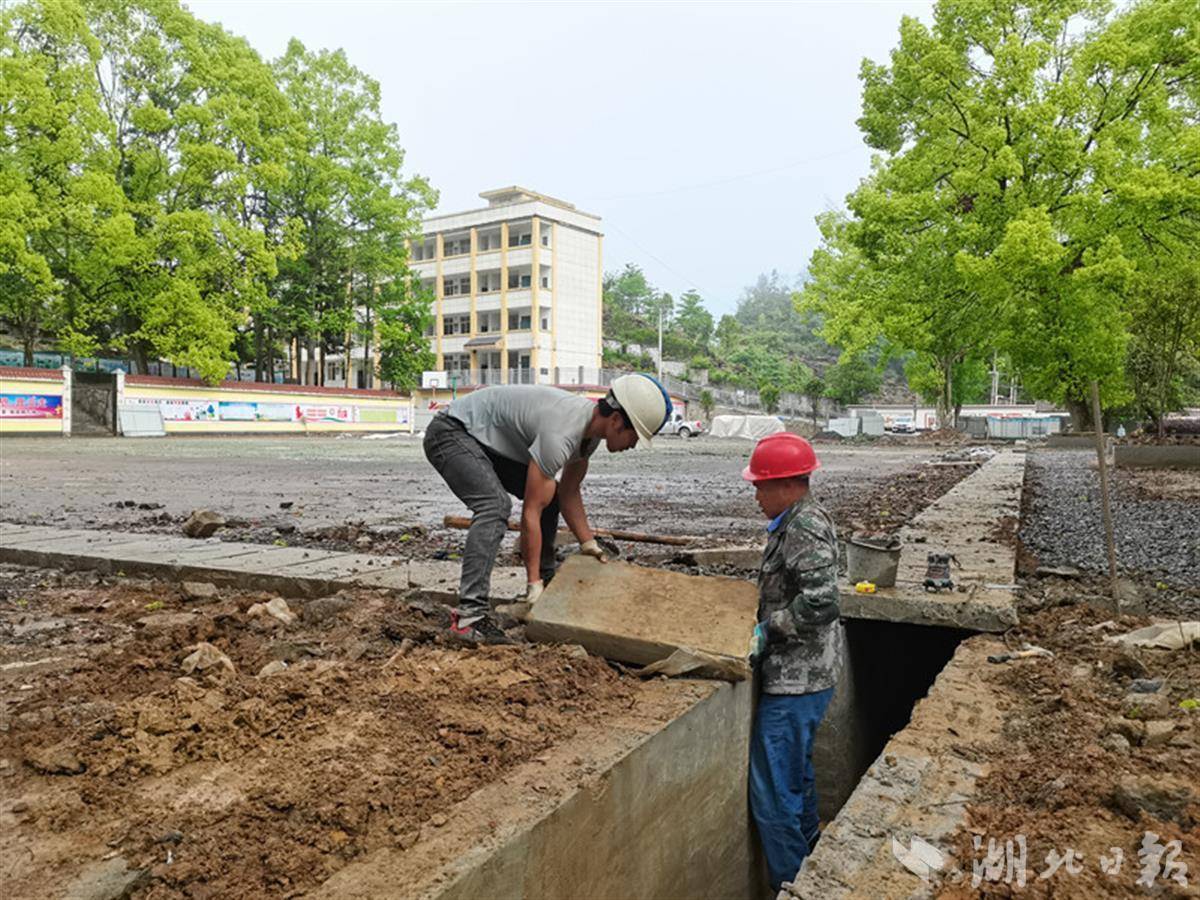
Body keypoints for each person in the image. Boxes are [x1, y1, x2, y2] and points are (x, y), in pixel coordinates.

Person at [423, 373, 671, 643]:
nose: (634, 445)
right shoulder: (562, 432)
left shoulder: (589, 436)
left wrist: (588, 543)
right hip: (451, 433)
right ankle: (470, 618)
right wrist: (532, 581)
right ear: (615, 420)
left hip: (483, 442)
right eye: (635, 436)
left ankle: (547, 592)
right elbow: (531, 510)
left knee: (550, 496)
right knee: (494, 506)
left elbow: (568, 493)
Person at [742, 432, 842, 890]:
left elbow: (822, 602)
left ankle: (792, 886)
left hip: (796, 682)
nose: (756, 495)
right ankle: (813, 872)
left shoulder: (802, 526)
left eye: (761, 486)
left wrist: (769, 630)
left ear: (786, 484)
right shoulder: (794, 521)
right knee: (796, 780)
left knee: (773, 796)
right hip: (802, 677)